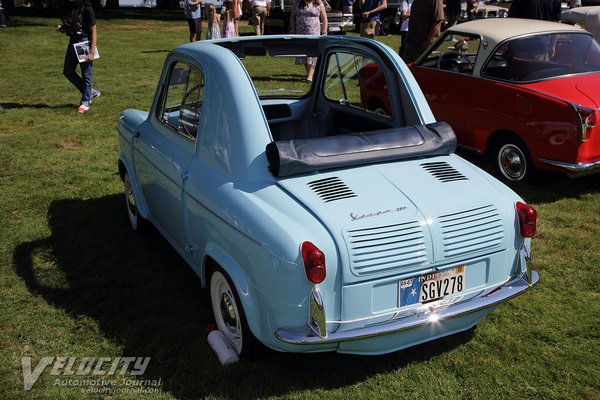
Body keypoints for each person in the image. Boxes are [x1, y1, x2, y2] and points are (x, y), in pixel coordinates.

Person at [59, 0, 100, 113]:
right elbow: (73, 26)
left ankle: (85, 102)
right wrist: (64, 29)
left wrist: (91, 51)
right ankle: (90, 92)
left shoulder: (87, 9)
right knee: (68, 71)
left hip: (83, 43)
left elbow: (93, 31)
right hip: (73, 41)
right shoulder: (70, 7)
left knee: (86, 73)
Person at [290, 0, 328, 82]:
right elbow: (292, 16)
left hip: (314, 32)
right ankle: (309, 74)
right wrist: (292, 29)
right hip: (301, 32)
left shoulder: (319, 3)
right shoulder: (297, 3)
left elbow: (324, 18)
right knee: (304, 53)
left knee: (313, 53)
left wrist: (324, 32)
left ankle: (310, 76)